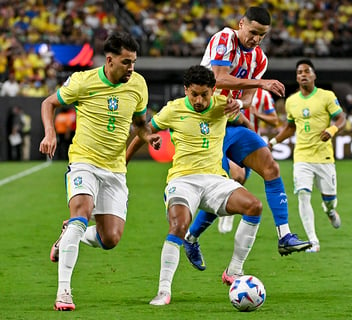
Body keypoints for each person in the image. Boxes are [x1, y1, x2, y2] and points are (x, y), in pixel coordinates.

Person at [39, 31, 161, 311]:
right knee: (81, 213)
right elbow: (49, 103)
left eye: (134, 62)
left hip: (115, 170)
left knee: (111, 239)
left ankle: (68, 235)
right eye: (127, 62)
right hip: (84, 161)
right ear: (109, 60)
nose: (132, 68)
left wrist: (148, 135)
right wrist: (50, 133)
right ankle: (64, 292)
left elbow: (140, 123)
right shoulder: (83, 81)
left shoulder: (138, 85)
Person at [184, 6, 311, 274]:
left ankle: (285, 235)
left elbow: (249, 100)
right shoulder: (224, 39)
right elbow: (218, 77)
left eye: (261, 35)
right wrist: (261, 84)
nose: (255, 39)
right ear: (241, 24)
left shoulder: (260, 59)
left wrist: (240, 102)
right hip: (205, 125)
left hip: (230, 124)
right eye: (253, 32)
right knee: (228, 184)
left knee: (270, 167)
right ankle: (191, 237)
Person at [125, 65, 262, 306]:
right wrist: (123, 162)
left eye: (204, 94)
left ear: (213, 91)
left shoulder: (223, 105)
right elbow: (143, 131)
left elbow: (243, 123)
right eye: (194, 94)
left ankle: (234, 271)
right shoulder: (173, 109)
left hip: (216, 181)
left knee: (254, 206)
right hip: (183, 180)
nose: (199, 100)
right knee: (179, 225)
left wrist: (253, 147)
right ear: (186, 89)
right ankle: (163, 291)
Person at [268, 59, 346, 253]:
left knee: (329, 199)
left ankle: (329, 210)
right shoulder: (291, 101)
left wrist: (333, 129)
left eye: (306, 71)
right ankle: (313, 241)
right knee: (303, 195)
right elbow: (290, 127)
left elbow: (341, 118)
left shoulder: (327, 96)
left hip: (324, 157)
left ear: (313, 75)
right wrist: (272, 143)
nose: (302, 74)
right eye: (299, 72)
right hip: (302, 156)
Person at [217, 88, 280, 234]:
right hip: (227, 138)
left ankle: (227, 211)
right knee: (236, 176)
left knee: (240, 180)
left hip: (250, 142)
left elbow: (275, 120)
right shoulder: (227, 88)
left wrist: (256, 113)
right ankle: (224, 213)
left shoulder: (263, 95)